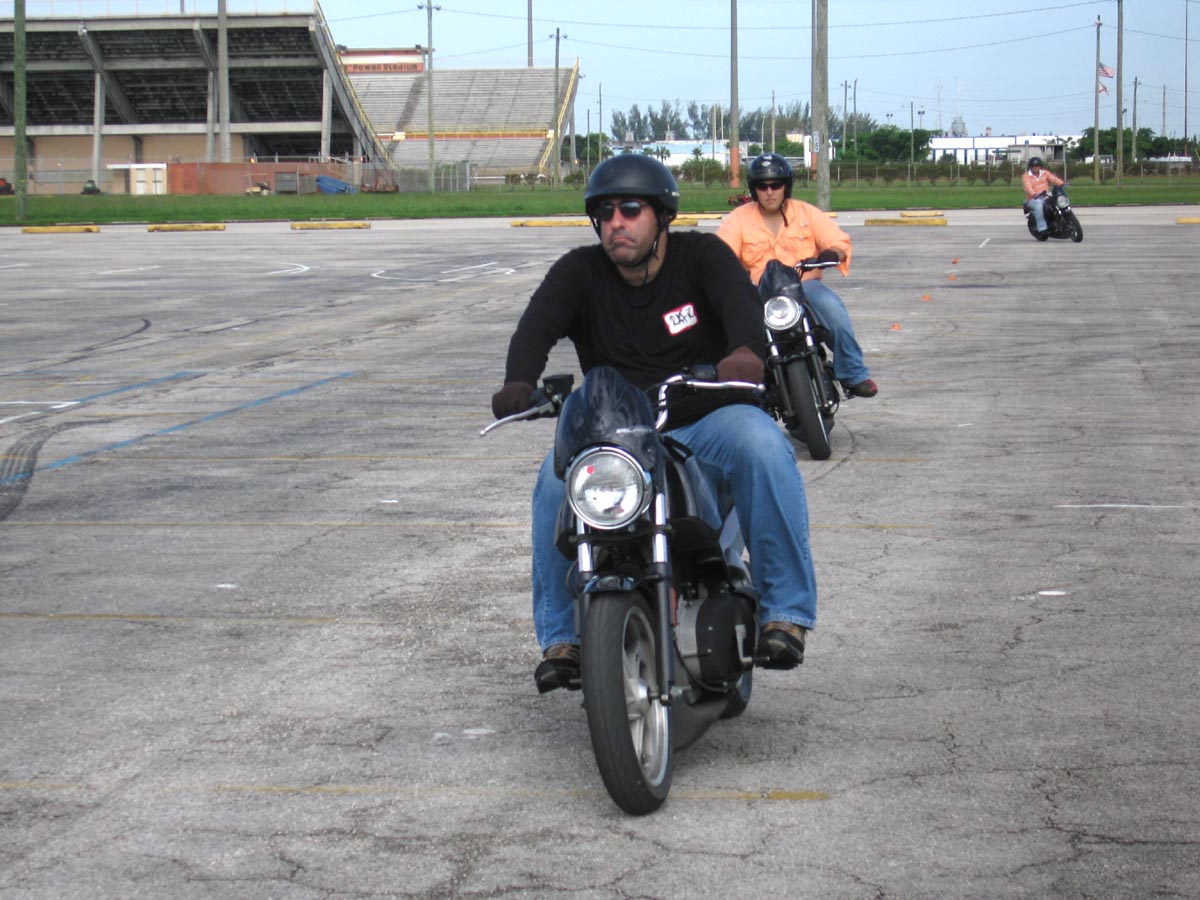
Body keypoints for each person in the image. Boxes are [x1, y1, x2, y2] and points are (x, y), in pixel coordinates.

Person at [491, 154, 819, 692]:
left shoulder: (701, 256)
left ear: (662, 216)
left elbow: (739, 303)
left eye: (629, 209)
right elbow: (536, 327)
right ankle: (562, 638)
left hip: (706, 417)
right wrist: (518, 382)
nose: (616, 223)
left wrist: (744, 352)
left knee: (763, 444)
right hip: (618, 430)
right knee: (554, 484)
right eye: (604, 213)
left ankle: (785, 612)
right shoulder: (579, 271)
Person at [716, 153, 877, 399]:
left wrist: (833, 252)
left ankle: (853, 373)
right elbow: (721, 252)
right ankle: (746, 390)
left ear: (786, 186)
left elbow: (838, 240)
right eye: (762, 186)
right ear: (754, 189)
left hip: (804, 286)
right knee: (730, 331)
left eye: (776, 185)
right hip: (759, 291)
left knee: (834, 310)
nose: (769, 192)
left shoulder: (806, 213)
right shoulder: (738, 219)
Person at [1022, 156, 1064, 237]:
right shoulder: (1026, 176)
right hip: (1033, 199)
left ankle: (1062, 219)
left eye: (1037, 166)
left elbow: (1053, 179)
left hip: (1046, 196)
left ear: (1040, 166)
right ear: (1030, 167)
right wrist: (1033, 194)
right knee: (1038, 205)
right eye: (1033, 166)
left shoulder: (1044, 173)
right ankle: (1042, 229)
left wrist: (1062, 183)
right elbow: (1028, 186)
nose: (1035, 167)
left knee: (1059, 199)